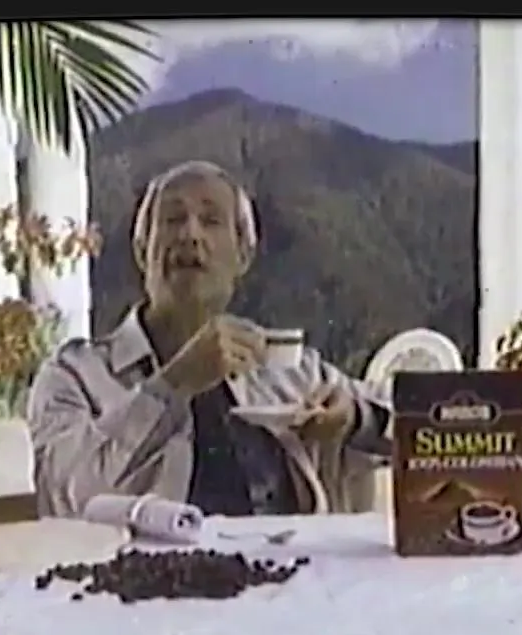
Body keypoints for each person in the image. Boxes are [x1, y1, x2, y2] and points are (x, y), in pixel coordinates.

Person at [27, 160, 392, 528]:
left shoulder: (283, 367)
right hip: (143, 563)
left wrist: (356, 418)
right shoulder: (75, 376)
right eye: (173, 219)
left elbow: (410, 419)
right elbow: (60, 498)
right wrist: (172, 385)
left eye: (211, 220)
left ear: (243, 256)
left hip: (293, 561)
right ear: (141, 251)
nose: (190, 234)